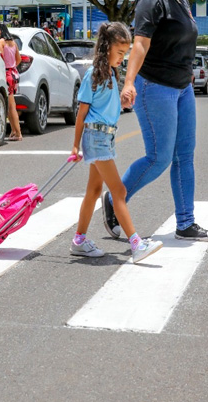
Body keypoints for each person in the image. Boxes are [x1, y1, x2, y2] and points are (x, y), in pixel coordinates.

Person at [102, 0, 208, 243]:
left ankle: (186, 223)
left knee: (184, 155)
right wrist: (128, 83)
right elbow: (139, 45)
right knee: (159, 157)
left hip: (182, 88)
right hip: (154, 86)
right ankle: (114, 199)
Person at [69, 21, 163, 262]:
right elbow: (82, 112)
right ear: (107, 47)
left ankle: (79, 240)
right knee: (119, 190)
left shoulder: (110, 73)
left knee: (93, 191)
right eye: (120, 52)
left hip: (105, 136)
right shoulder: (94, 73)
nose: (123, 57)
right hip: (96, 137)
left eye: (125, 53)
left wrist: (122, 103)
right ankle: (136, 243)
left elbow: (104, 108)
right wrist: (75, 145)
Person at [0, 21, 23, 141]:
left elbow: (0, 57)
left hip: (7, 74)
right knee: (10, 103)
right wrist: (12, 66)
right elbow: (19, 59)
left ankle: (18, 134)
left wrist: (6, 68)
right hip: (14, 73)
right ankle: (14, 130)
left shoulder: (0, 42)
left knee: (11, 106)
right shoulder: (13, 43)